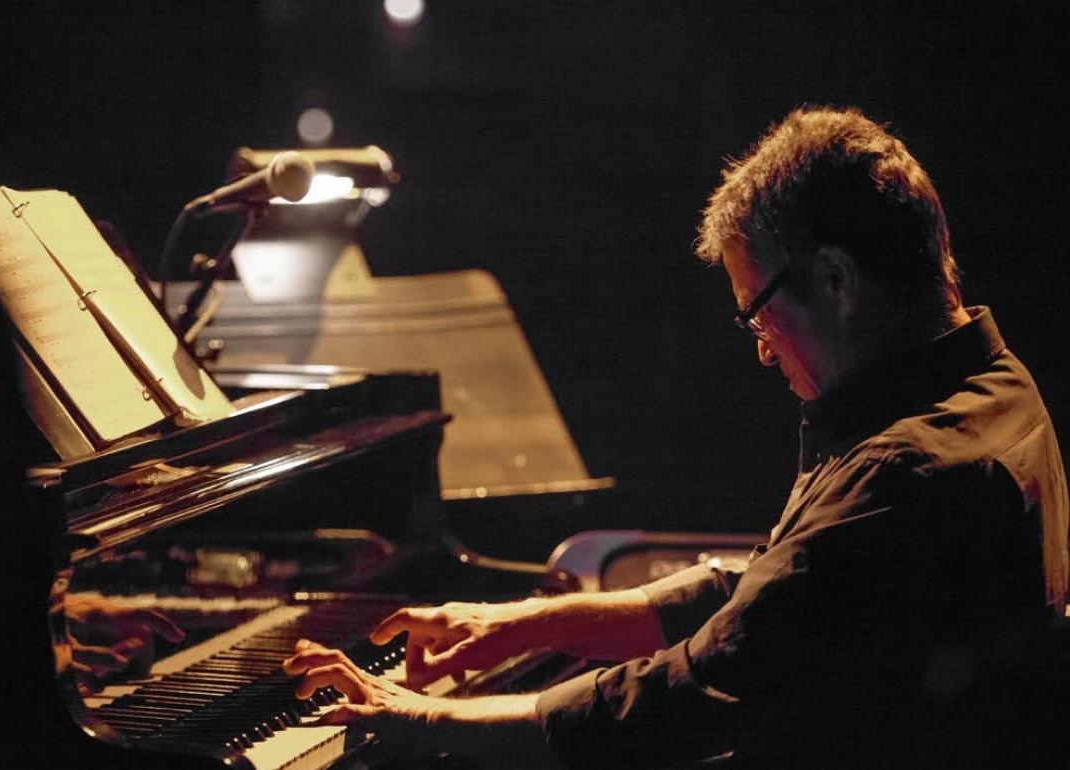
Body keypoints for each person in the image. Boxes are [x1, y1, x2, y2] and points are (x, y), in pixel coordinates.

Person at [282, 107, 1070, 768]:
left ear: (835, 281)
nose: (763, 351)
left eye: (757, 315)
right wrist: (520, 624)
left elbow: (691, 694)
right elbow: (782, 600)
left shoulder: (906, 472)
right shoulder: (997, 389)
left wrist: (425, 719)